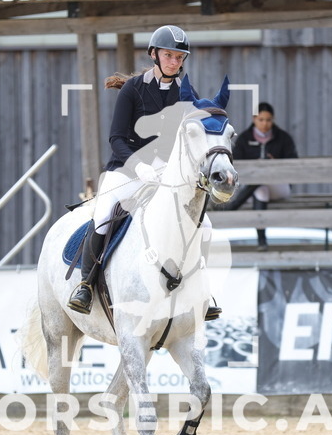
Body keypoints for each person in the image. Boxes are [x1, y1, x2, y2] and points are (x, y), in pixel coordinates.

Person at [67, 25, 221, 321]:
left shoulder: (187, 93)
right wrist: (139, 166)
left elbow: (195, 135)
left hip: (168, 173)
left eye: (180, 57)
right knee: (103, 215)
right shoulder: (133, 89)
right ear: (154, 55)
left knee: (207, 226)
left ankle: (202, 289)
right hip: (127, 169)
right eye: (169, 55)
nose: (175, 62)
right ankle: (86, 285)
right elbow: (116, 138)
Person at [221, 102, 299, 251]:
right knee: (260, 187)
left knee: (262, 178)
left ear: (273, 119)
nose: (264, 123)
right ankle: (261, 240)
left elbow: (294, 165)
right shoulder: (244, 139)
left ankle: (234, 205)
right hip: (253, 191)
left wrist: (275, 165)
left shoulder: (283, 138)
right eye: (261, 119)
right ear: (254, 119)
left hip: (279, 188)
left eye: (268, 120)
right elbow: (235, 165)